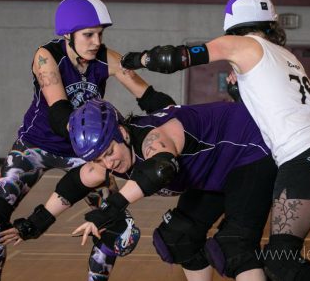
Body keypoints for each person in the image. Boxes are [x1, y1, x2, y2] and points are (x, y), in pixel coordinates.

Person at [120, 0, 310, 281]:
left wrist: (134, 59)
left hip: (303, 155)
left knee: (281, 262)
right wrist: (239, 92)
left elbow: (174, 58)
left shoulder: (240, 44)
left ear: (234, 26)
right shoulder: (286, 56)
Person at [0, 0, 148, 281]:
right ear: (67, 35)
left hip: (85, 153)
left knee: (121, 232)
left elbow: (148, 95)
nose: (97, 41)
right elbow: (60, 116)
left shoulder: (104, 57)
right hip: (35, 146)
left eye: (100, 34)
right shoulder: (46, 56)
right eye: (88, 34)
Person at [63, 96, 277, 281]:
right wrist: (38, 220)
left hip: (250, 150)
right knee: (178, 238)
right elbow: (73, 183)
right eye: (98, 160)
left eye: (109, 153)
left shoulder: (151, 139)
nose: (108, 164)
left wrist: (109, 210)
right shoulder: (110, 159)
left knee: (236, 246)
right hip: (214, 172)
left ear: (122, 133)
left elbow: (160, 169)